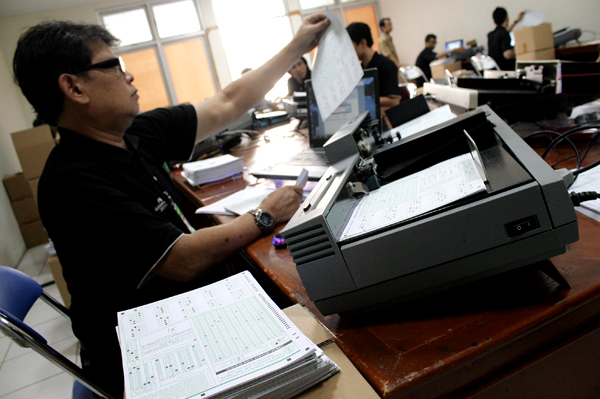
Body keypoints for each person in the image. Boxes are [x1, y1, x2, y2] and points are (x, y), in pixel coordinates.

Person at [12, 14, 329, 398]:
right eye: (114, 66)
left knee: (312, 290)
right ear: (74, 87)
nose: (129, 77)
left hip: (185, 309)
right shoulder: (72, 181)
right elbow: (182, 260)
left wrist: (298, 45)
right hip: (148, 352)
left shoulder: (135, 134)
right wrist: (264, 214)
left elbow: (226, 102)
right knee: (319, 319)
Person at [346, 22, 401, 108]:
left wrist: (362, 100)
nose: (349, 51)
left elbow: (394, 101)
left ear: (363, 42)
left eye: (350, 46)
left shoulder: (386, 64)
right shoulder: (359, 69)